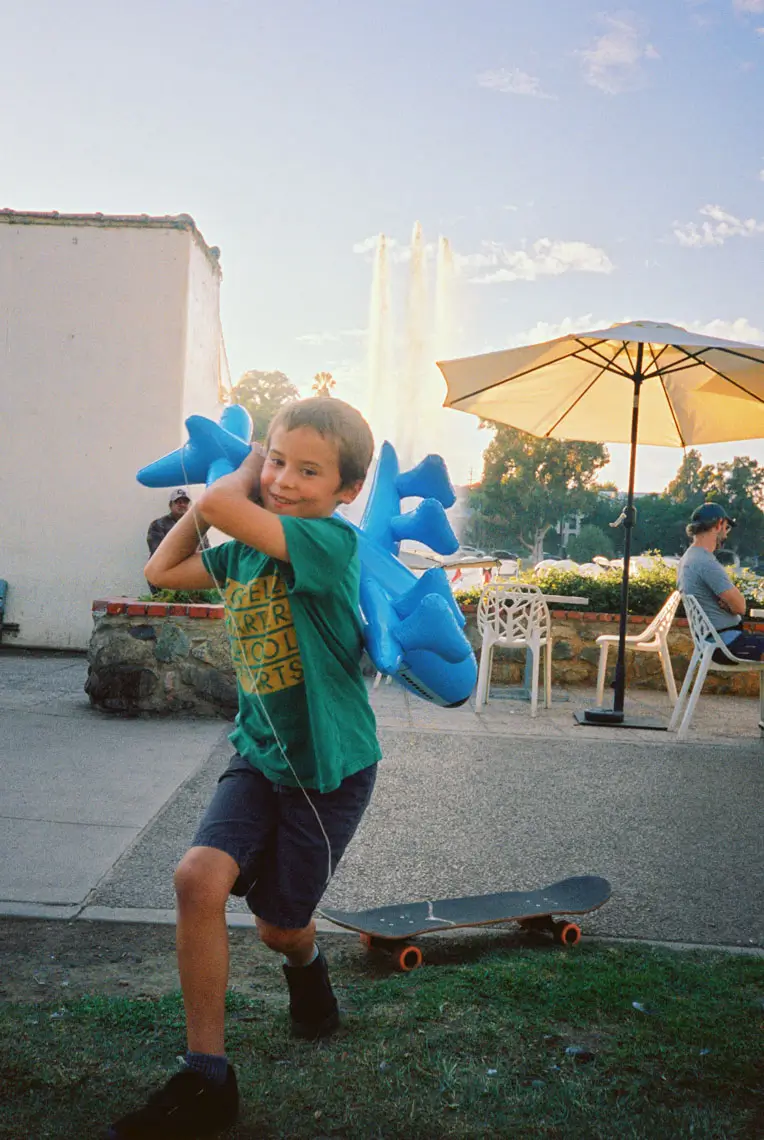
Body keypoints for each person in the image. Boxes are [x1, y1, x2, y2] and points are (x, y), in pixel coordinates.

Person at [107, 398, 381, 1140]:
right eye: (281, 462)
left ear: (346, 490)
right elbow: (160, 570)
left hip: (331, 771)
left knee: (278, 927)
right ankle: (207, 1078)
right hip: (258, 756)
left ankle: (308, 967)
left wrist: (244, 466)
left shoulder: (327, 544)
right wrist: (215, 502)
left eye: (309, 470)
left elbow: (229, 504)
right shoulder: (241, 551)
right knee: (196, 878)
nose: (287, 481)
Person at [677, 501, 764, 660]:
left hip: (713, 642)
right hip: (726, 644)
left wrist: (730, 604)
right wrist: (732, 606)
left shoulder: (689, 558)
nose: (726, 533)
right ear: (718, 525)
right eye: (726, 528)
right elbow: (740, 606)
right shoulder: (705, 562)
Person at [146, 489, 209, 594]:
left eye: (185, 502)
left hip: (192, 581)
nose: (182, 505)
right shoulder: (158, 525)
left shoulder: (197, 526)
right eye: (178, 502)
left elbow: (206, 552)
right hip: (164, 580)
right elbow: (158, 554)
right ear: (170, 505)